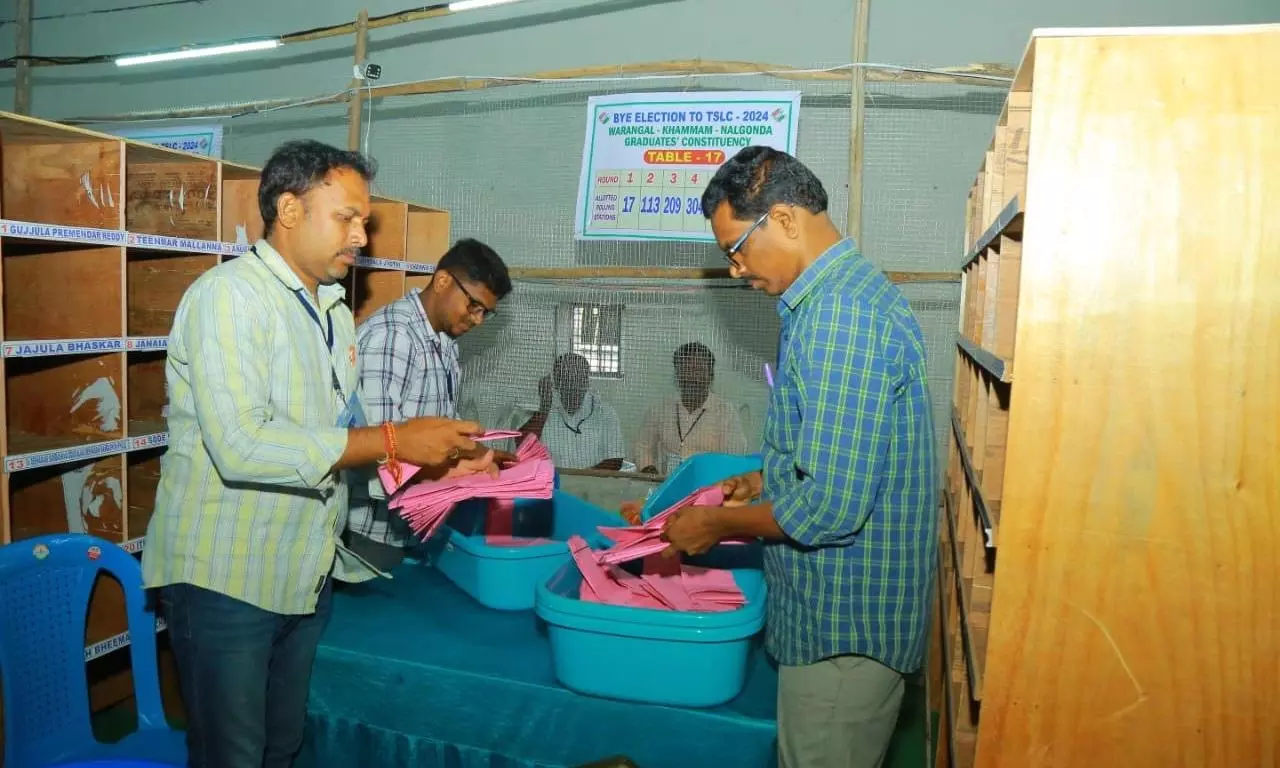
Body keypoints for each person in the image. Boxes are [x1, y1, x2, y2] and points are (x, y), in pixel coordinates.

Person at [142, 139, 495, 768]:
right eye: (348, 217)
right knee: (232, 755)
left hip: (300, 570)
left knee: (282, 747)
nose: (362, 235)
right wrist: (394, 440)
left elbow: (343, 428)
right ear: (289, 209)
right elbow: (243, 446)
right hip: (226, 578)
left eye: (364, 220)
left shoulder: (330, 309)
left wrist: (436, 463)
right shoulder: (231, 298)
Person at [657, 146, 937, 768]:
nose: (734, 270)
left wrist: (715, 525)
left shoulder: (838, 316)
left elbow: (830, 506)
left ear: (783, 219)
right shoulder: (841, 297)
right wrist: (764, 477)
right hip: (839, 619)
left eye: (736, 248)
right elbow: (848, 449)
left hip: (844, 623)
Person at [346, 238, 514, 571]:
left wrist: (473, 454)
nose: (478, 320)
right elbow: (378, 449)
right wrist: (450, 470)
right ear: (442, 281)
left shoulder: (444, 342)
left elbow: (437, 432)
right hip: (373, 537)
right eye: (474, 305)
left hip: (412, 529)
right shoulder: (394, 337)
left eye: (486, 313)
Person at [634, 341, 749, 475]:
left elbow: (734, 458)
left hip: (707, 487)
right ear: (677, 375)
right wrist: (649, 470)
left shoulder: (726, 412)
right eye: (686, 370)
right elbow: (642, 447)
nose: (692, 377)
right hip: (667, 486)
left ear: (710, 376)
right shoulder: (660, 409)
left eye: (699, 370)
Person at [519, 352, 626, 470]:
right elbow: (522, 447)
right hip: (551, 483)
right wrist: (544, 407)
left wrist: (580, 480)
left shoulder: (605, 413)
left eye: (577, 378)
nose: (572, 385)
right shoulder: (544, 411)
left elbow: (614, 460)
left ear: (586, 381)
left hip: (593, 483)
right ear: (557, 382)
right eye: (566, 378)